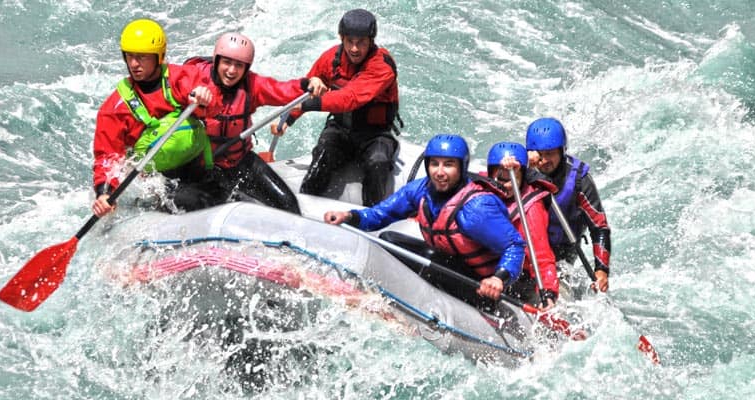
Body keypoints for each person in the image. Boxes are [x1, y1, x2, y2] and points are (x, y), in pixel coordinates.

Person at [324, 134, 526, 306]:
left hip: (480, 286)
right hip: (449, 263)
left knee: (427, 264)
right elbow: (380, 214)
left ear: (462, 168)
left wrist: (499, 279)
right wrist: (349, 216)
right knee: (389, 240)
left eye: (448, 165)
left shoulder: (476, 209)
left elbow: (515, 245)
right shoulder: (421, 190)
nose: (439, 172)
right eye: (434, 164)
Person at [179, 32, 328, 214]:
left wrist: (307, 84)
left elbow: (281, 90)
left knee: (289, 205)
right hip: (201, 168)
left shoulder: (252, 85)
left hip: (240, 161)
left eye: (239, 65)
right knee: (204, 207)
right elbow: (165, 91)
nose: (232, 71)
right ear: (217, 60)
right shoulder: (194, 78)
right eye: (227, 62)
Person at [271, 8, 401, 206]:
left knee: (378, 162)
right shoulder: (331, 58)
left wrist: (309, 105)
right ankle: (302, 209)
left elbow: (349, 98)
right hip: (341, 129)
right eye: (350, 41)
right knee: (322, 155)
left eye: (361, 43)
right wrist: (287, 119)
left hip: (375, 134)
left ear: (371, 41)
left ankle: (373, 216)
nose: (355, 49)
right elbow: (307, 90)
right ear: (342, 38)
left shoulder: (382, 66)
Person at [92, 19, 208, 218]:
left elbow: (212, 100)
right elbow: (107, 157)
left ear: (159, 57)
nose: (134, 64)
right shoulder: (115, 109)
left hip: (198, 166)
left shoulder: (181, 78)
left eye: (142, 57)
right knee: (194, 200)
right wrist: (104, 194)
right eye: (130, 57)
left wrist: (205, 97)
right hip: (161, 185)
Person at [525, 118, 611, 293]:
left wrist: (601, 270)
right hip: (527, 249)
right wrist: (524, 167)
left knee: (560, 293)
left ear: (562, 151)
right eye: (540, 154)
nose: (544, 161)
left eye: (550, 153)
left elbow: (599, 227)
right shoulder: (520, 172)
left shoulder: (580, 180)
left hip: (561, 254)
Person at [486, 142, 559, 307]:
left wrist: (548, 293)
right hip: (487, 264)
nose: (506, 185)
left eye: (512, 179)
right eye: (501, 179)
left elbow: (542, 257)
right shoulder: (482, 188)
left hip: (519, 276)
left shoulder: (531, 210)